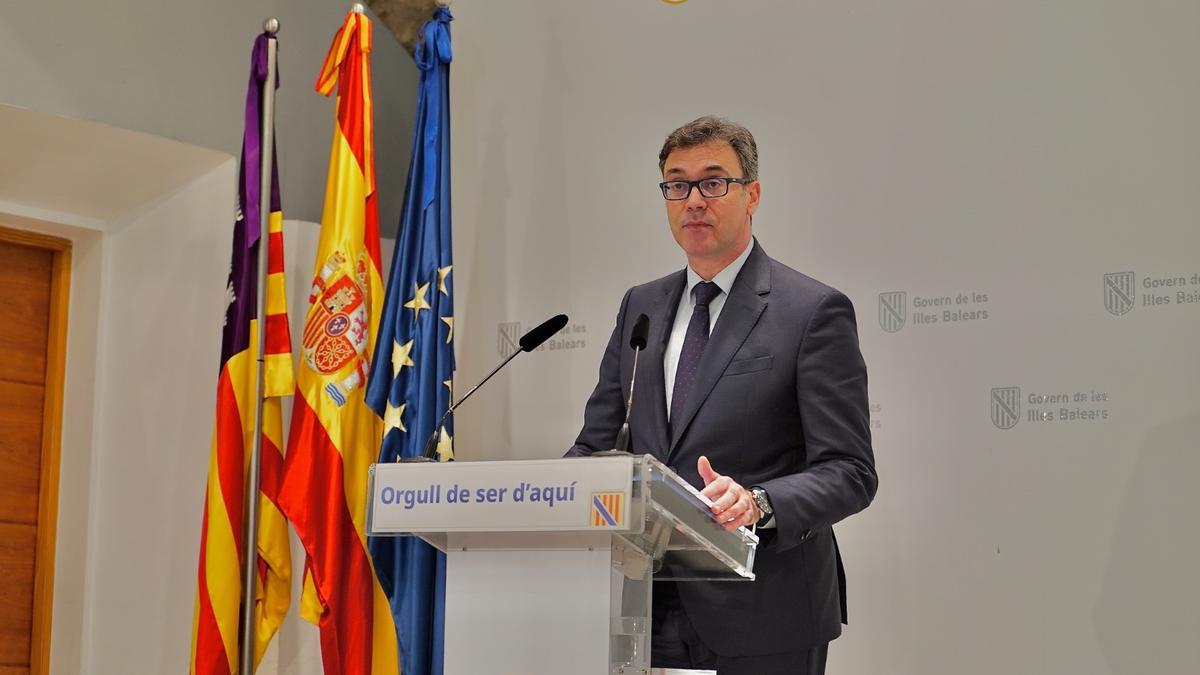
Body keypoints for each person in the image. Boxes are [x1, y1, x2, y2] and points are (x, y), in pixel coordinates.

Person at [566, 116, 877, 674]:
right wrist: (551, 495)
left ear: (752, 194)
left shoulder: (810, 311)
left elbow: (850, 470)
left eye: (713, 182)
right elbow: (595, 446)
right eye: (676, 184)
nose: (693, 201)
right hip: (645, 608)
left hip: (765, 610)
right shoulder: (641, 306)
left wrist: (758, 503)